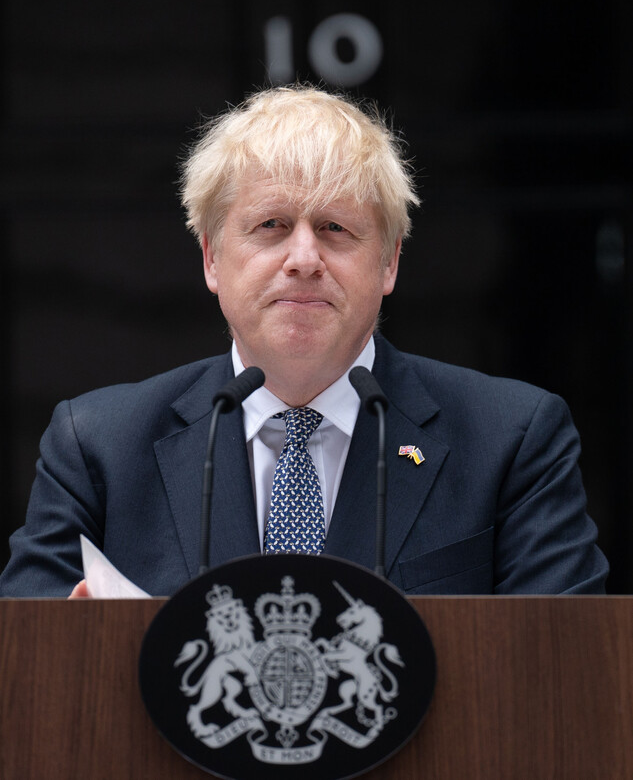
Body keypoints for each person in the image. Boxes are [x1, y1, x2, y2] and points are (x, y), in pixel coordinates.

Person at [0, 85, 608, 597]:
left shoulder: (514, 441)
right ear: (212, 259)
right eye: (271, 226)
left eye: (335, 229)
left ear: (390, 262)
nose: (303, 259)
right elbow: (23, 680)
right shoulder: (97, 447)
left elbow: (564, 679)